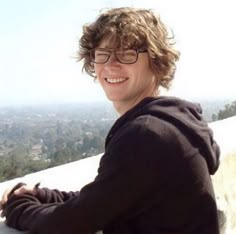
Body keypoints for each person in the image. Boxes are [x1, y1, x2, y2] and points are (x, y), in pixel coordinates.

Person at [0, 7, 220, 234]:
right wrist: (42, 195)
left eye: (127, 53)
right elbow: (108, 200)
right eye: (102, 54)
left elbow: (69, 223)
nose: (110, 65)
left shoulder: (147, 135)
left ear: (156, 60)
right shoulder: (173, 123)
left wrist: (18, 205)